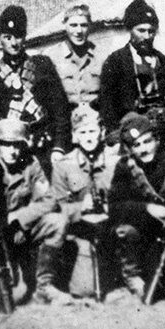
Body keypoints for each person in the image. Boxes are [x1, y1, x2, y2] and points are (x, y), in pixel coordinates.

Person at [0, 118, 72, 308]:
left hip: (21, 230)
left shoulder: (31, 164)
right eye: (6, 145)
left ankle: (44, 287)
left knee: (57, 221)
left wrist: (19, 218)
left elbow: (49, 199)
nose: (12, 151)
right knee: (15, 296)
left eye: (17, 145)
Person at [107, 112, 165, 300]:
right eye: (136, 145)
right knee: (125, 230)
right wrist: (148, 209)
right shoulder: (125, 167)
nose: (143, 150)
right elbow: (115, 206)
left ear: (157, 140)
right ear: (130, 149)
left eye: (147, 142)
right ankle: (133, 277)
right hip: (146, 231)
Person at [0, 5, 71, 176]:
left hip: (41, 150)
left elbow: (60, 110)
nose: (14, 43)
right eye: (8, 37)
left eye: (19, 37)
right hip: (8, 152)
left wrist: (59, 147)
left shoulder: (42, 65)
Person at [99, 0, 165, 154]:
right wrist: (116, 136)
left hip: (163, 137)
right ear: (129, 29)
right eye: (141, 30)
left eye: (151, 31)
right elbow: (107, 105)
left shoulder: (162, 61)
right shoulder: (115, 62)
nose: (147, 36)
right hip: (132, 138)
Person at [52, 106, 118, 297]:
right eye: (82, 132)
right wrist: (82, 207)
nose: (88, 137)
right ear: (74, 135)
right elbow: (59, 209)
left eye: (92, 131)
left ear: (102, 133)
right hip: (81, 232)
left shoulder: (115, 160)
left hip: (111, 229)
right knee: (85, 290)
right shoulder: (63, 166)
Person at [44, 4, 106, 111]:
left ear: (90, 26)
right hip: (65, 118)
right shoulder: (51, 56)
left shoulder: (101, 56)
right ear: (64, 25)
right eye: (73, 25)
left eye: (83, 25)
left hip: (94, 118)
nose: (79, 31)